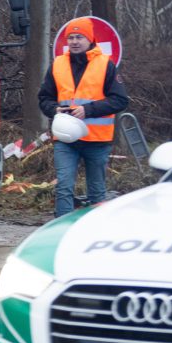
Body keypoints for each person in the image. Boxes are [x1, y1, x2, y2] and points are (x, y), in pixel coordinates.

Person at [38, 17, 129, 217]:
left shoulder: (106, 64)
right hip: (65, 139)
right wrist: (54, 109)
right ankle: (60, 231)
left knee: (97, 191)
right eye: (71, 37)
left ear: (90, 40)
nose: (74, 41)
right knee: (63, 187)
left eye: (79, 37)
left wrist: (88, 110)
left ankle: (96, 232)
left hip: (97, 140)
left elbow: (120, 100)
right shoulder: (58, 64)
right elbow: (44, 98)